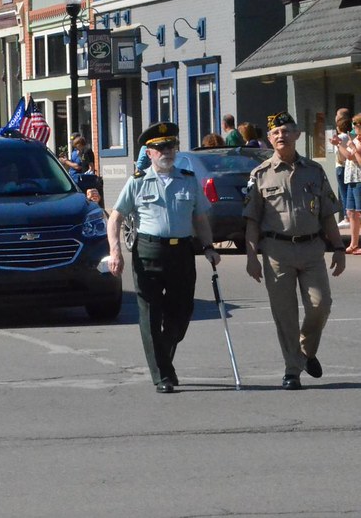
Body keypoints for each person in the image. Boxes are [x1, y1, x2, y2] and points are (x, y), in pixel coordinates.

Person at [106, 122, 220, 394]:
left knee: (182, 312)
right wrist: (115, 251)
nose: (167, 151)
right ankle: (162, 375)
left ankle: (164, 352)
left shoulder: (188, 179)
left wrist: (209, 247)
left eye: (171, 146)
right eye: (161, 147)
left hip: (181, 251)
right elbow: (116, 217)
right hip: (148, 251)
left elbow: (200, 218)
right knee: (150, 313)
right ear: (150, 151)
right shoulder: (137, 181)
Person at [243, 112, 345, 391]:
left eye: (286, 131)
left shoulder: (314, 170)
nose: (281, 136)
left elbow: (327, 214)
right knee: (284, 314)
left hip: (312, 248)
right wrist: (251, 256)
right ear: (269, 138)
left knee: (320, 305)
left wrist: (338, 248)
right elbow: (252, 220)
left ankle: (306, 350)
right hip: (276, 251)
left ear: (297, 134)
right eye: (275, 132)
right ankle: (292, 370)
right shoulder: (260, 174)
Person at [331, 113, 361, 254]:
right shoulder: (355, 140)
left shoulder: (358, 142)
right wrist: (340, 146)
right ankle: (353, 244)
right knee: (351, 212)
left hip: (359, 179)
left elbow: (352, 156)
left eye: (356, 125)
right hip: (351, 179)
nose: (354, 127)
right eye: (354, 124)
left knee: (359, 213)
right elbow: (346, 156)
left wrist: (346, 147)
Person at [332, 110, 352, 227]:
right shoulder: (350, 136)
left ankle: (346, 216)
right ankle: (347, 215)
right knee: (347, 192)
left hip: (341, 167)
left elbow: (340, 156)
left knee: (343, 192)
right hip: (347, 168)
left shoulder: (341, 137)